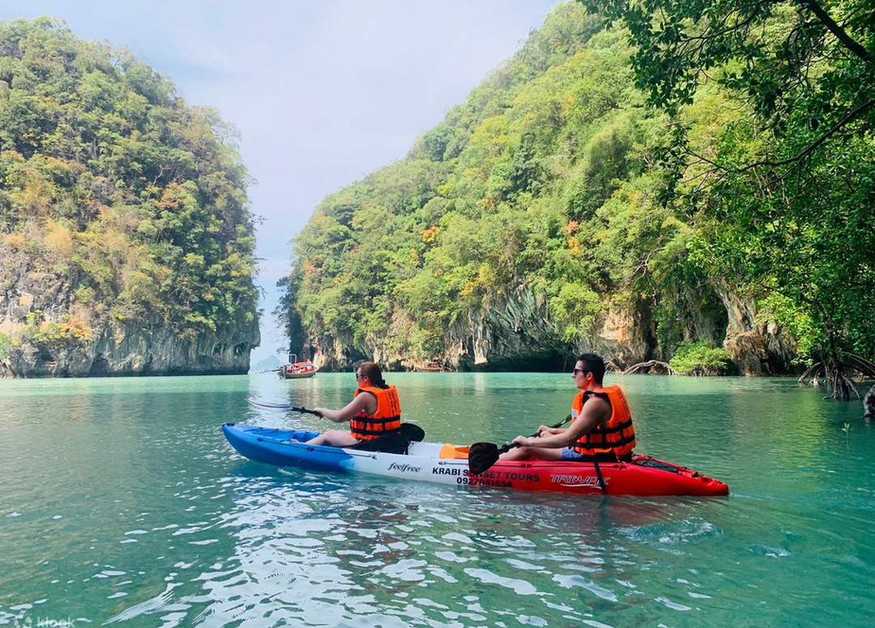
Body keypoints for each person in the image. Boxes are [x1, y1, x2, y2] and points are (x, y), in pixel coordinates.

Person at [500, 353, 636, 462]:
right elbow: (581, 433)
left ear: (589, 376)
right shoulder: (595, 399)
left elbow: (569, 439)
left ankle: (490, 467)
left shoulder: (596, 403)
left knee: (527, 447)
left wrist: (527, 443)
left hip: (593, 457)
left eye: (576, 371)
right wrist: (552, 430)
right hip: (595, 451)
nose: (573, 375)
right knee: (545, 435)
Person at [305, 362, 402, 447]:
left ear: (365, 378)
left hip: (371, 443)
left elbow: (339, 417)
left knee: (327, 435)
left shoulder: (365, 396)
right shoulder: (385, 391)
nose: (357, 380)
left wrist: (322, 410)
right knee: (338, 433)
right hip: (389, 440)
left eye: (357, 376)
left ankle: (300, 448)